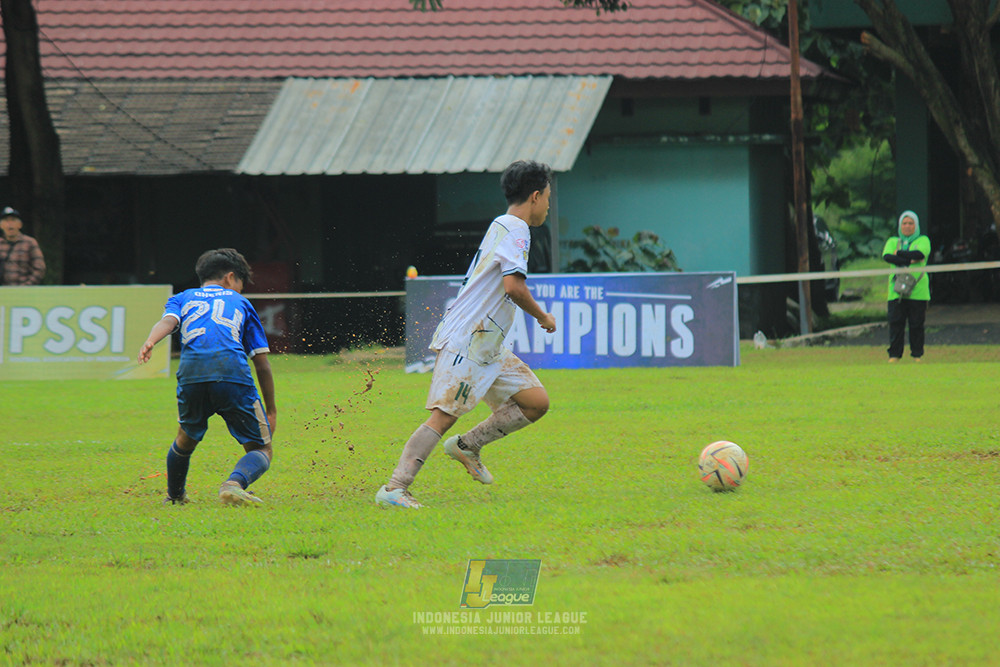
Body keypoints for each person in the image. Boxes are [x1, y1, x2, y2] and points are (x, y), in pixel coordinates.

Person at [376, 160, 558, 509]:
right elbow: (514, 287)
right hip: (471, 340)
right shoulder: (517, 228)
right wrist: (543, 317)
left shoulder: (503, 225)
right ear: (535, 196)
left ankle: (468, 445)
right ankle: (395, 488)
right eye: (547, 197)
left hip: (488, 342)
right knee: (444, 415)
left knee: (536, 403)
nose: (548, 206)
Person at [137, 248, 277, 506]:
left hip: (191, 371)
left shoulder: (182, 298)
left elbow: (167, 323)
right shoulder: (241, 303)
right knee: (260, 448)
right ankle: (233, 484)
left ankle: (176, 497)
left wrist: (151, 340)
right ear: (230, 277)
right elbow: (262, 364)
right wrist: (272, 410)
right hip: (231, 370)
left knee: (185, 437)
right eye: (241, 283)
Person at [882, 210, 931, 362]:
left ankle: (917, 355)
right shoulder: (892, 241)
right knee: (896, 323)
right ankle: (894, 355)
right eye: (904, 223)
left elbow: (919, 255)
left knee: (916, 324)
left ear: (916, 225)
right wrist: (908, 259)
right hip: (896, 291)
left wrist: (900, 254)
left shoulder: (923, 240)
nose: (907, 226)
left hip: (918, 291)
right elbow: (888, 257)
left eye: (911, 223)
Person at [0, 206, 46, 285]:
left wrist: (26, 286)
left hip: (24, 291)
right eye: (6, 221)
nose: (10, 224)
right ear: (1, 225)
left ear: (20, 225)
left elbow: (39, 268)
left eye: (13, 220)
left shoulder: (30, 243)